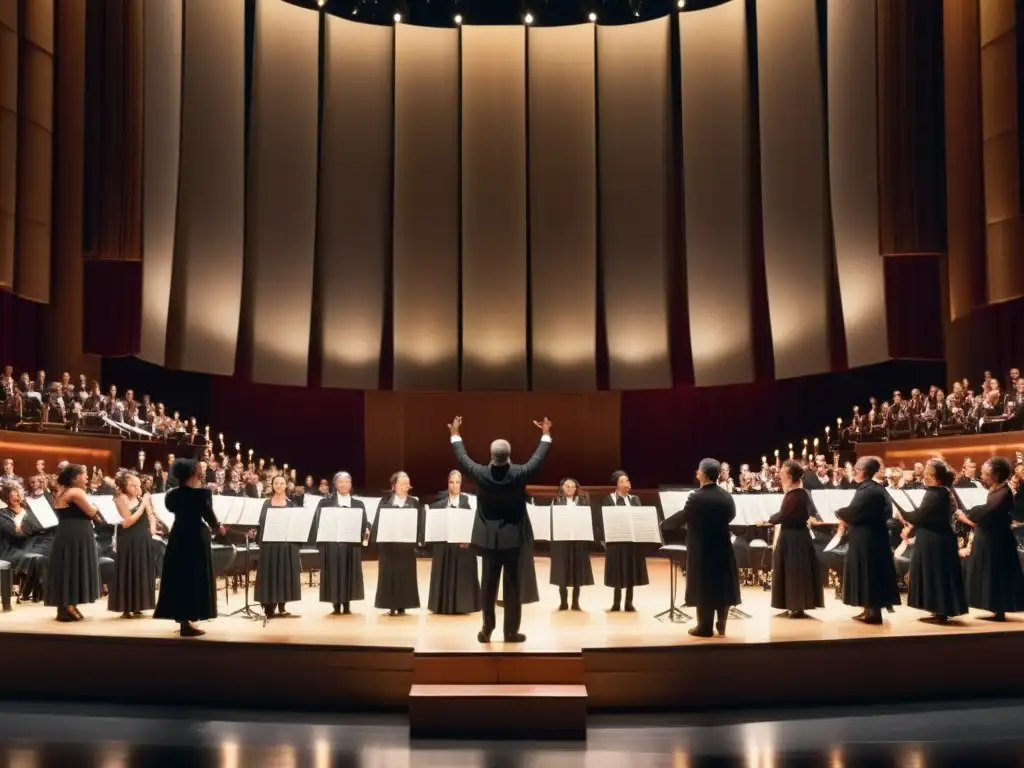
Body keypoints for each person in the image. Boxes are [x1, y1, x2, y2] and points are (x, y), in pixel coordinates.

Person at [449, 415, 551, 644]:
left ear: (491, 456)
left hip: (487, 540)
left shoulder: (480, 473)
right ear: (509, 456)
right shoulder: (519, 473)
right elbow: (538, 458)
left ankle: (487, 628)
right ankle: (511, 632)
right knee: (513, 586)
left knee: (488, 585)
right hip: (513, 539)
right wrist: (546, 433)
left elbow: (462, 456)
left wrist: (454, 432)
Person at [662, 458, 741, 637]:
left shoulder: (696, 497)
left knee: (704, 585)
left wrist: (664, 524)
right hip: (723, 547)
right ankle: (722, 625)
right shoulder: (726, 496)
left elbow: (685, 516)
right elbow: (731, 515)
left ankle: (704, 627)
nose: (696, 473)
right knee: (722, 584)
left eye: (698, 470)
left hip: (702, 549)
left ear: (704, 474)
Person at [154, 458, 225, 636]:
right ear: (195, 473)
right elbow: (209, 515)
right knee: (195, 576)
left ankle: (183, 620)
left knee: (179, 576)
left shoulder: (172, 495)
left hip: (178, 535)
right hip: (196, 536)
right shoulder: (202, 494)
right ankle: (191, 618)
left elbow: (173, 509)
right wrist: (219, 527)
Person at [896, 458, 967, 623]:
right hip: (938, 537)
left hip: (935, 540)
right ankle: (939, 610)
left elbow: (920, 515)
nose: (924, 477)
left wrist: (902, 513)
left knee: (936, 574)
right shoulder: (942, 491)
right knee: (937, 574)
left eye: (928, 474)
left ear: (937, 476)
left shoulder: (935, 493)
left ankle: (941, 611)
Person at [955, 457, 1024, 620]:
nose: (983, 476)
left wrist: (965, 515)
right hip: (988, 538)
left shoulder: (1003, 491)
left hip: (996, 540)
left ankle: (999, 608)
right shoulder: (994, 489)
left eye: (986, 473)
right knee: (988, 573)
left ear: (997, 474)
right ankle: (993, 606)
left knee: (996, 574)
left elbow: (985, 512)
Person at [835, 456, 900, 624]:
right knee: (869, 573)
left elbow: (854, 510)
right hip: (873, 536)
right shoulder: (875, 488)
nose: (854, 472)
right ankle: (868, 610)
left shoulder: (868, 490)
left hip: (867, 539)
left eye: (856, 469)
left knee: (868, 573)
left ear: (862, 471)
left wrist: (835, 511)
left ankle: (872, 612)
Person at [45, 464, 101, 621]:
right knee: (75, 566)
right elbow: (91, 512)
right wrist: (97, 505)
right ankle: (69, 605)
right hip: (77, 533)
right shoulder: (77, 492)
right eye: (84, 474)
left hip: (66, 531)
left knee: (67, 567)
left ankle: (65, 605)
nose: (87, 477)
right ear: (75, 478)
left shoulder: (62, 491)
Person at [769, 460, 824, 618]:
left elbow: (784, 514)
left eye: (783, 474)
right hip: (792, 535)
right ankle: (791, 605)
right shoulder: (797, 494)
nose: (780, 477)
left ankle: (797, 607)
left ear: (790, 476)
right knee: (790, 571)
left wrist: (768, 520)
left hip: (795, 538)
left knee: (795, 572)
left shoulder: (797, 494)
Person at [426, 470, 481, 615]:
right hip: (445, 546)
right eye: (451, 482)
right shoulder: (439, 505)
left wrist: (469, 540)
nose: (454, 485)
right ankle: (442, 605)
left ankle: (464, 605)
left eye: (457, 482)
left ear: (461, 484)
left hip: (463, 546)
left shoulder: (469, 503)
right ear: (447, 483)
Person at [315, 471, 369, 615]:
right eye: (341, 482)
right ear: (335, 484)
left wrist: (366, 532)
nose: (344, 484)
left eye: (347, 482)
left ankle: (347, 603)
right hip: (332, 544)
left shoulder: (358, 504)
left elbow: (364, 524)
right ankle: (335, 603)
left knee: (349, 573)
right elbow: (318, 523)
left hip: (351, 545)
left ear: (351, 485)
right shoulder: (325, 502)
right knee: (334, 573)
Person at [107, 471, 157, 618]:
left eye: (138, 485)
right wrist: (143, 504)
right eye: (133, 485)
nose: (137, 488)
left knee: (141, 569)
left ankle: (139, 604)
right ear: (124, 485)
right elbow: (127, 522)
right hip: (128, 539)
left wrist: (152, 529)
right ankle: (126, 606)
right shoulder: (121, 498)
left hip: (143, 537)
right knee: (128, 570)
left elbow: (151, 515)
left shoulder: (141, 497)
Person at [372, 471, 421, 616]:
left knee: (405, 575)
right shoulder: (385, 501)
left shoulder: (414, 502)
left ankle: (403, 605)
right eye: (402, 483)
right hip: (388, 546)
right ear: (394, 486)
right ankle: (389, 604)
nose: (406, 486)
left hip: (406, 547)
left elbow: (420, 523)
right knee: (389, 575)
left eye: (407, 483)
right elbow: (377, 522)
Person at [253, 474, 302, 618]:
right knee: (270, 572)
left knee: (284, 573)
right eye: (276, 483)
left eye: (282, 483)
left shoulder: (292, 504)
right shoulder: (266, 503)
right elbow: (261, 523)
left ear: (286, 485)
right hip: (269, 544)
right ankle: (269, 607)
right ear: (272, 486)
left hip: (286, 544)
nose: (279, 486)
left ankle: (282, 605)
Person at [602, 471, 648, 612]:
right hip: (616, 540)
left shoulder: (634, 499)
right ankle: (616, 602)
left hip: (632, 541)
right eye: (623, 481)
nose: (627, 484)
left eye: (627, 481)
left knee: (630, 571)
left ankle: (629, 602)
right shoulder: (609, 499)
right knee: (617, 570)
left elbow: (640, 518)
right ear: (616, 484)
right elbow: (604, 519)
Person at [550, 478, 594, 611]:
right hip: (562, 541)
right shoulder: (556, 501)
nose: (569, 489)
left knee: (577, 571)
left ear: (576, 489)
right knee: (561, 571)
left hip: (578, 540)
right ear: (562, 488)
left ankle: (575, 602)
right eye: (567, 486)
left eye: (572, 487)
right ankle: (563, 602)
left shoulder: (583, 501)